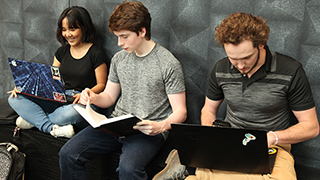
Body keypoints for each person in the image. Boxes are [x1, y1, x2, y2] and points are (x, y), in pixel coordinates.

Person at [154, 12, 319, 180]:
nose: (240, 66)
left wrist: (273, 137)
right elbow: (208, 110)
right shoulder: (221, 69)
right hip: (231, 142)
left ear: (261, 45)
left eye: (246, 58)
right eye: (233, 59)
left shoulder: (290, 70)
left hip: (274, 145)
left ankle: (189, 174)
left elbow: (311, 126)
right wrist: (211, 138)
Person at [58, 1, 187, 180]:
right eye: (117, 37)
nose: (119, 43)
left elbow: (181, 111)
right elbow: (109, 97)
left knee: (128, 169)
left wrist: (161, 126)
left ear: (142, 31)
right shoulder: (120, 59)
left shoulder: (168, 64)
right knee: (68, 153)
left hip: (148, 129)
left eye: (124, 37)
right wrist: (94, 97)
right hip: (116, 123)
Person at [7, 6, 108, 138]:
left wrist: (86, 94)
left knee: (66, 114)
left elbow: (102, 85)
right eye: (64, 30)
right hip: (61, 97)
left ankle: (33, 120)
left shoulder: (96, 53)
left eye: (72, 29)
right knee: (14, 98)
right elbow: (51, 80)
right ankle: (51, 128)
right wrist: (25, 88)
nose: (67, 34)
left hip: (84, 103)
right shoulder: (61, 52)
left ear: (84, 28)